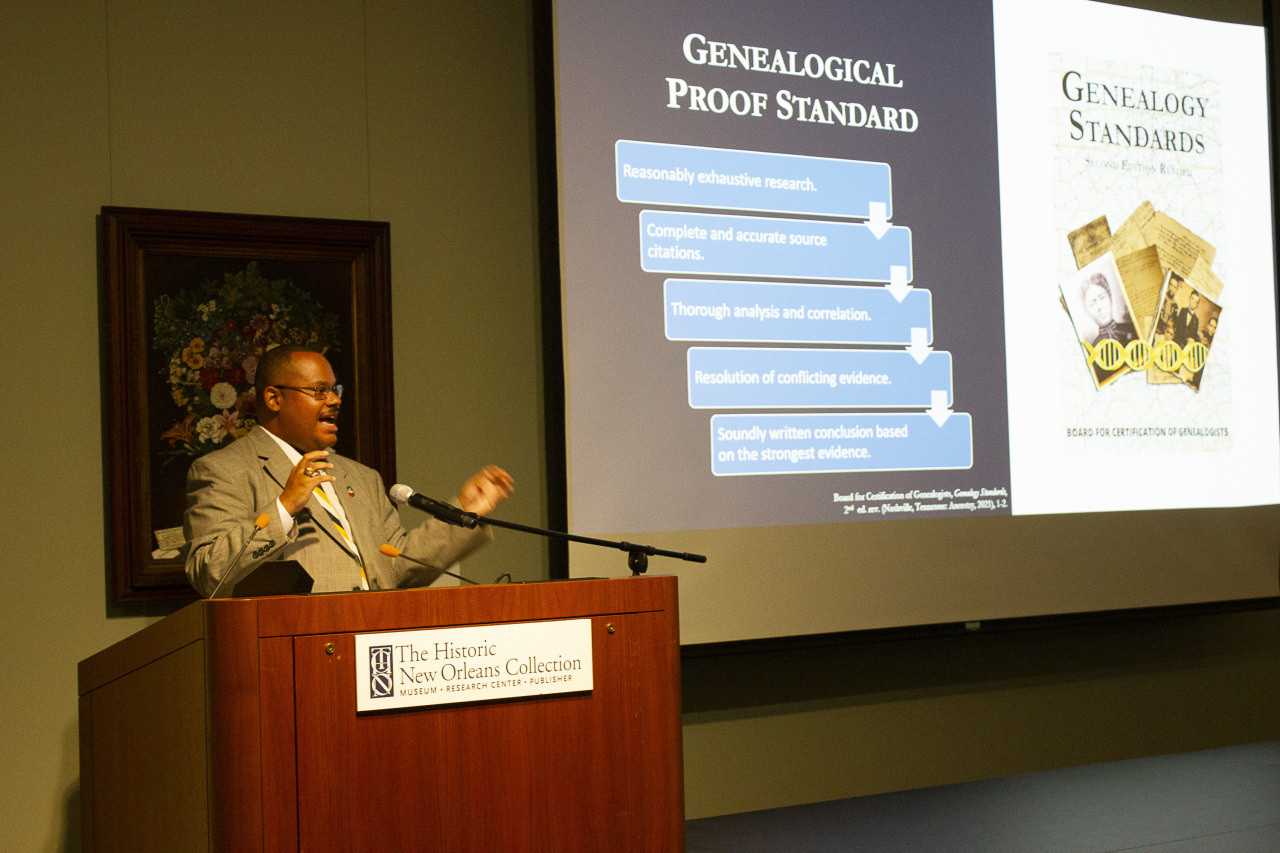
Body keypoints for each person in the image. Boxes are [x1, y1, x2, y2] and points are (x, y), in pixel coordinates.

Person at [184, 345, 513, 597]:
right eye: (318, 391)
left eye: (335, 390)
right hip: (297, 658)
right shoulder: (224, 470)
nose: (334, 400)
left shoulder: (361, 477)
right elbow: (210, 573)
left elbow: (395, 566)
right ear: (274, 398)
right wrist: (283, 508)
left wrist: (465, 511)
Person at [1081, 273, 1137, 347]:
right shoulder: (1094, 349)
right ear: (1087, 312)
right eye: (1092, 304)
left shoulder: (1132, 328)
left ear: (1110, 298)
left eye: (1102, 298)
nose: (1100, 307)